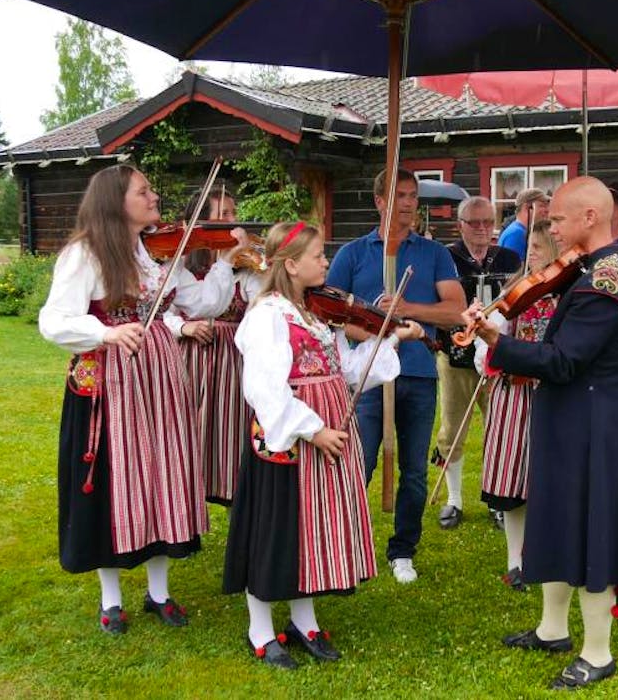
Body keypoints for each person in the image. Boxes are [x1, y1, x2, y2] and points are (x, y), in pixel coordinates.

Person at [38, 164, 244, 634]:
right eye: (144, 191)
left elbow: (202, 304)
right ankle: (111, 598)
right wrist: (105, 333)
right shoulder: (85, 254)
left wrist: (229, 262)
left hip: (158, 381)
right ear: (116, 201)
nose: (154, 197)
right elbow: (54, 320)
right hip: (108, 385)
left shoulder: (151, 254)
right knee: (109, 482)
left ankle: (159, 592)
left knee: (160, 475)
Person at [463, 176, 618, 691]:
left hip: (592, 423)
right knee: (560, 518)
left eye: (558, 220)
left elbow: (564, 361)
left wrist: (497, 340)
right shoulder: (587, 270)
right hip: (571, 416)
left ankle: (598, 651)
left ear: (591, 217)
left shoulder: (606, 281)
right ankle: (552, 629)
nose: (551, 230)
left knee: (590, 529)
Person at [223, 221, 423, 668]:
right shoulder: (268, 315)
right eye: (317, 256)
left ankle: (303, 618)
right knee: (277, 528)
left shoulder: (314, 313)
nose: (326, 262)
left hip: (328, 429)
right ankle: (259, 627)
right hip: (289, 436)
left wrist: (389, 338)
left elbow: (347, 372)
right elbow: (263, 388)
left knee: (309, 531)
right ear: (291, 264)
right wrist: (311, 429)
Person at [326, 167, 466, 584]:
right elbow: (332, 315)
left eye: (412, 196)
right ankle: (344, 541)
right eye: (400, 195)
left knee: (415, 471)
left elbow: (456, 310)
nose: (408, 203)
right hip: (368, 373)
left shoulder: (434, 253)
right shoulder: (353, 253)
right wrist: (375, 327)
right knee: (360, 461)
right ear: (379, 201)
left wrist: (408, 310)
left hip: (418, 372)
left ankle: (403, 549)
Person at [473, 220, 559, 590]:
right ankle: (515, 560)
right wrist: (487, 346)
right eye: (529, 247)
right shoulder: (515, 290)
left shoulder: (568, 292)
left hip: (552, 393)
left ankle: (547, 555)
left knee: (549, 479)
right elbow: (491, 342)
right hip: (514, 392)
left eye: (538, 247)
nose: (531, 255)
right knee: (512, 481)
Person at [171, 186, 265, 505]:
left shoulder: (245, 268)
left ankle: (231, 500)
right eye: (222, 214)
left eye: (233, 212)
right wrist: (184, 326)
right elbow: (160, 312)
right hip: (188, 360)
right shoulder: (181, 266)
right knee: (186, 432)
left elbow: (258, 305)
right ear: (201, 221)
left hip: (232, 362)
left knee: (229, 434)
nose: (232, 220)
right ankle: (184, 506)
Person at [433, 196, 522, 529]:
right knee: (453, 428)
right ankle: (454, 499)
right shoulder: (446, 258)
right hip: (456, 354)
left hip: (499, 356)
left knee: (498, 429)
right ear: (461, 225)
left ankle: (496, 499)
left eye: (489, 222)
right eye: (476, 223)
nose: (484, 229)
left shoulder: (510, 258)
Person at [498, 188, 550, 261]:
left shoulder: (518, 230)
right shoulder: (516, 234)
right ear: (527, 207)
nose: (547, 210)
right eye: (542, 206)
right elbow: (516, 270)